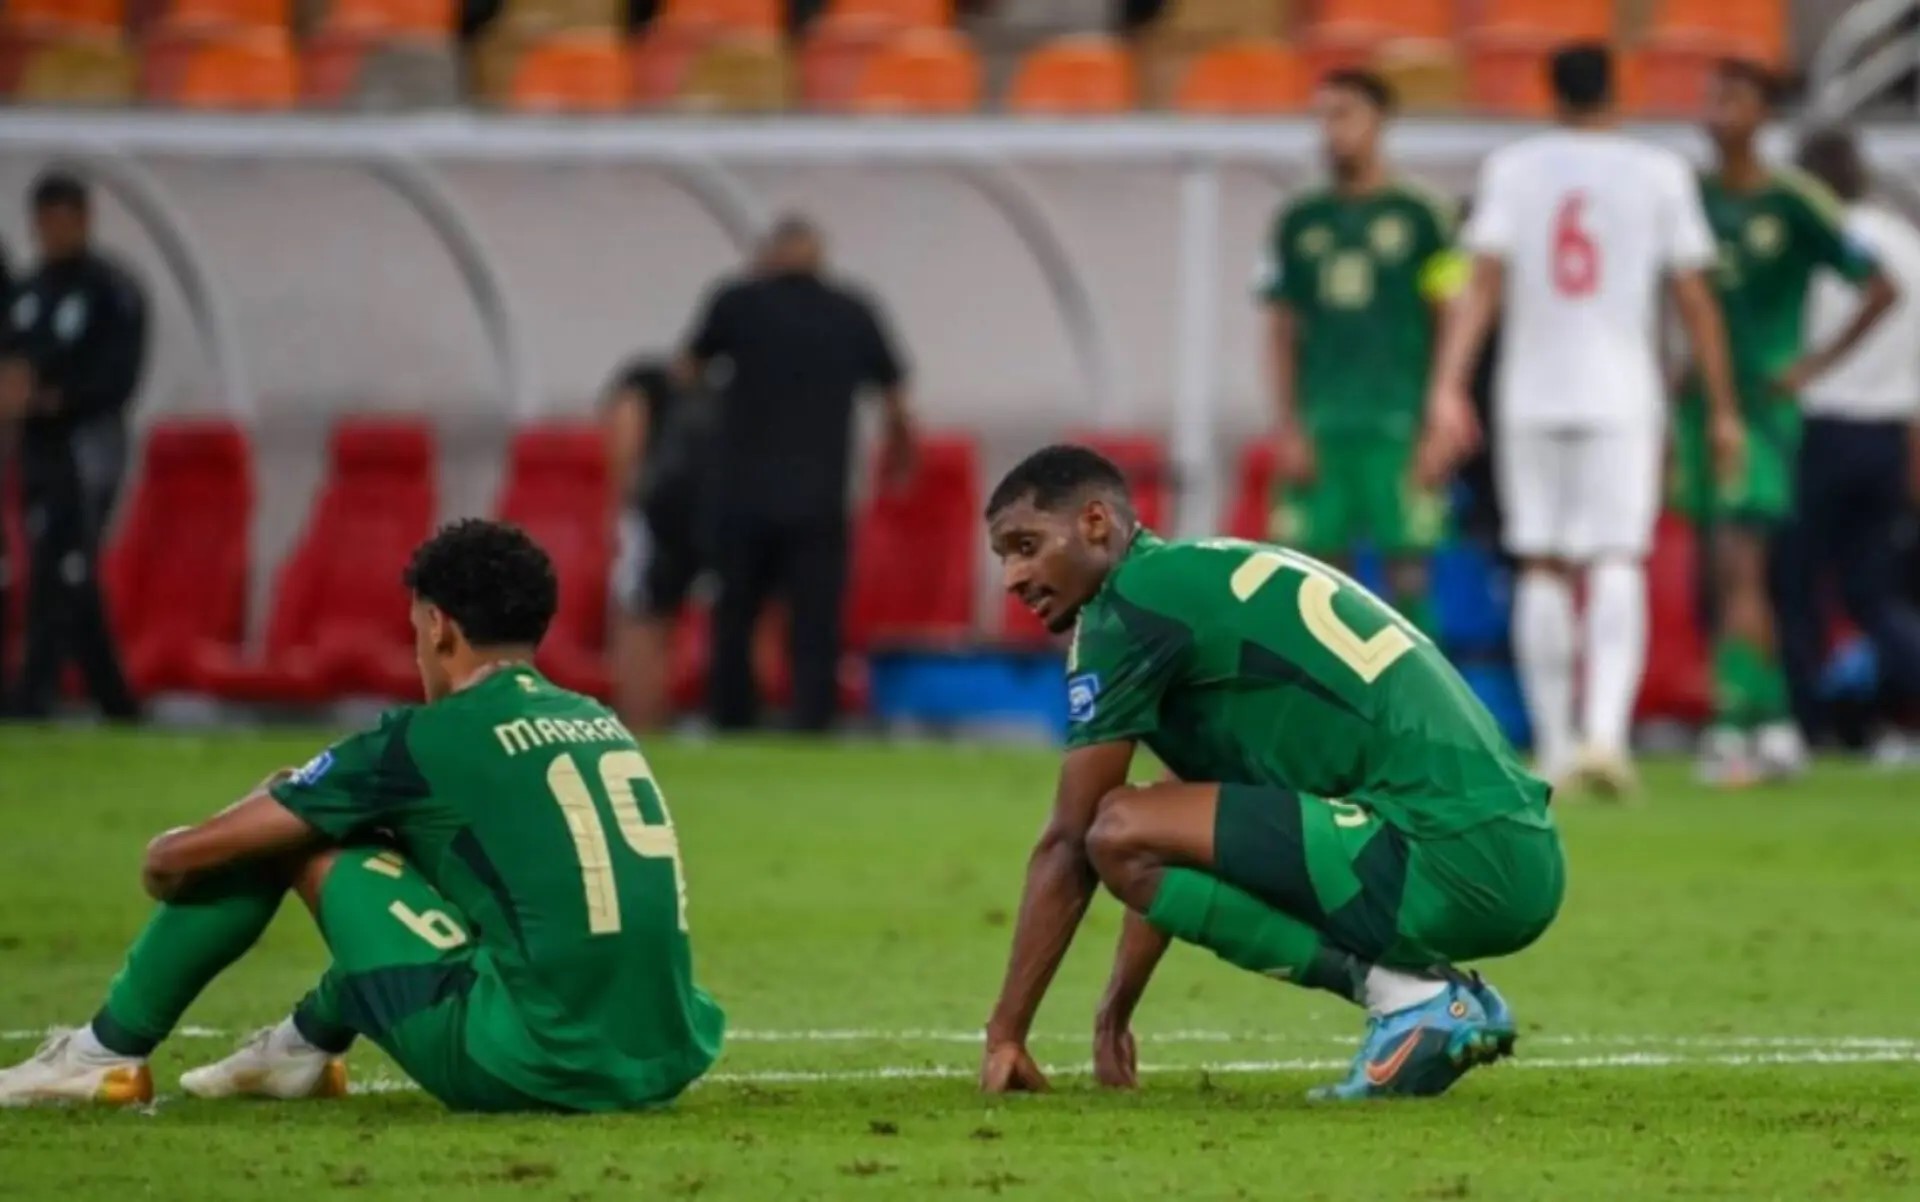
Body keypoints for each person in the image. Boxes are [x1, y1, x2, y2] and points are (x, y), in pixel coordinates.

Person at [0, 519, 725, 1111]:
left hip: (531, 1062)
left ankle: (101, 1053)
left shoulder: (428, 739)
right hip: (660, 1056)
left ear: (438, 627)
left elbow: (187, 856)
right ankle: (303, 1046)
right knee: (454, 872)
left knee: (296, 822)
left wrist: (167, 852)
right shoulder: (599, 720)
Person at [977, 445, 1563, 1102]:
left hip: (1448, 849)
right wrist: (1115, 1010)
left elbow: (1073, 839)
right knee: (1133, 828)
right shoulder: (1191, 576)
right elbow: (1175, 821)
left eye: (1026, 546)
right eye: (1004, 556)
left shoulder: (1126, 611)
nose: (1013, 577)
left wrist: (1005, 1035)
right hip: (1508, 846)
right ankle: (1432, 997)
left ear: (1094, 523)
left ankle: (1411, 999)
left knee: (1112, 829)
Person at [1428, 43, 1744, 796]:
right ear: (1618, 91)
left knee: (1539, 560)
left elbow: (1482, 284)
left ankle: (1556, 747)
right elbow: (1694, 297)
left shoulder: (1513, 168)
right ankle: (1607, 737)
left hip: (1530, 391)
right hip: (1622, 393)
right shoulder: (1659, 171)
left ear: (1551, 93)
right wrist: (1723, 407)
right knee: (1615, 558)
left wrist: (1448, 386)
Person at [1672, 61, 1897, 785]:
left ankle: (1737, 723)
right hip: (1701, 406)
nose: (1717, 112)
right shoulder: (1691, 198)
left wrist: (1810, 366)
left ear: (1763, 115)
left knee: (1741, 561)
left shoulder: (1796, 202)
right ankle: (1768, 723)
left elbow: (1881, 286)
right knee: (1719, 568)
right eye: (1712, 98)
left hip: (1763, 410)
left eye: (1733, 99)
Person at [678, 214, 916, 733]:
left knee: (735, 615)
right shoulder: (851, 310)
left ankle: (731, 717)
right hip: (820, 496)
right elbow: (896, 400)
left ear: (769, 254)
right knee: (815, 619)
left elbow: (687, 374)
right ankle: (813, 718)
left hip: (741, 492)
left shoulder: (738, 302)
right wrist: (901, 463)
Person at [1259, 68, 1462, 635]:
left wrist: (1441, 412)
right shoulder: (1298, 221)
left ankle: (1412, 689)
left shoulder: (1424, 217)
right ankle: (1326, 689)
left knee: (1410, 569)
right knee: (1317, 577)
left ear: (1380, 121)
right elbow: (1281, 328)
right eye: (1323, 117)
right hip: (1323, 423)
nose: (1332, 130)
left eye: (1345, 115)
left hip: (1400, 423)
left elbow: (1452, 315)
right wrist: (1289, 426)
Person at [1773, 128, 1920, 760]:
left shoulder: (1814, 240)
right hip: (1889, 432)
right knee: (1874, 595)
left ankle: (1809, 727)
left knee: (1796, 584)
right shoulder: (1907, 242)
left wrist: (1810, 368)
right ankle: (1884, 715)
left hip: (1821, 425)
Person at [0, 170, 146, 721]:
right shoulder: (30, 291)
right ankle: (114, 701)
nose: (51, 233)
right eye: (43, 223)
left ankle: (34, 697)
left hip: (88, 446)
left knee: (63, 559)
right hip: (35, 449)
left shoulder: (111, 290)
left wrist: (51, 397)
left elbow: (117, 379)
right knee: (62, 566)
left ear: (83, 219)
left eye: (60, 221)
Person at [604, 356, 715, 731]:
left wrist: (624, 506)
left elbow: (627, 450)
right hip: (711, 521)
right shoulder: (711, 400)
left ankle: (641, 726)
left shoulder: (643, 385)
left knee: (640, 622)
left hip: (654, 521)